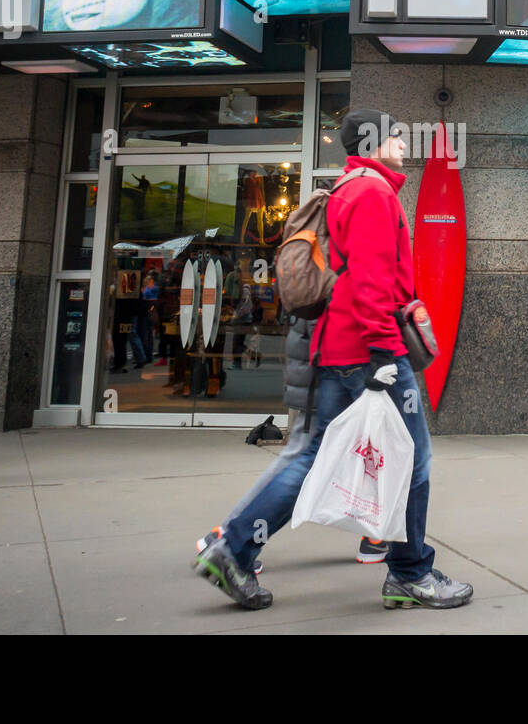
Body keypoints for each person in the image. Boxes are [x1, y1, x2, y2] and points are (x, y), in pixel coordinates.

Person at [193, 110, 473, 611]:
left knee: (312, 455)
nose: (405, 145)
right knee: (414, 462)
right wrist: (385, 356)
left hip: (343, 350)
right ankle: (411, 574)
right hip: (367, 353)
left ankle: (232, 549)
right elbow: (370, 285)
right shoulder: (371, 193)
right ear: (373, 142)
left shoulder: (353, 188)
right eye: (396, 137)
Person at [192, 316, 391, 574]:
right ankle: (228, 536)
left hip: (322, 366)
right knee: (302, 460)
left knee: (361, 451)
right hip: (330, 369)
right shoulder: (330, 279)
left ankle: (374, 536)